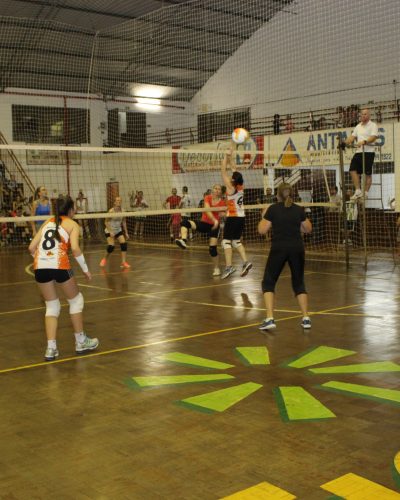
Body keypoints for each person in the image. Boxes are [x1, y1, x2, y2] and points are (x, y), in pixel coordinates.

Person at [28, 195, 99, 361]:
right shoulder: (73, 224)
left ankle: (51, 349)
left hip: (40, 267)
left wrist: (44, 261)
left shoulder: (47, 222)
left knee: (52, 306)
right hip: (59, 265)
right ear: (71, 210)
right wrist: (86, 270)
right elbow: (75, 249)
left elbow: (31, 247)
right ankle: (81, 341)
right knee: (76, 301)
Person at [258, 183, 312, 331]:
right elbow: (308, 228)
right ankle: (306, 318)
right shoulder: (298, 209)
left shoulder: (273, 209)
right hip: (297, 248)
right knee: (298, 283)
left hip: (279, 249)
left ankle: (269, 318)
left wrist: (264, 215)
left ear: (277, 194)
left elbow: (262, 230)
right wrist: (298, 224)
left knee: (268, 282)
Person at [175, 184, 226, 276]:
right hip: (204, 224)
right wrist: (214, 219)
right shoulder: (207, 197)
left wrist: (223, 214)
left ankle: (216, 268)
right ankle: (183, 240)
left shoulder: (222, 202)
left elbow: (223, 214)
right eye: (215, 188)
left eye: (219, 189)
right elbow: (207, 209)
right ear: (212, 189)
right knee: (185, 223)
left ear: (221, 192)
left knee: (212, 249)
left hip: (214, 227)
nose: (217, 190)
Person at [220, 148, 252, 279]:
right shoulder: (240, 186)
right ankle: (245, 262)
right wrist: (230, 156)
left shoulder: (230, 187)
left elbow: (223, 171)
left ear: (233, 180)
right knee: (236, 241)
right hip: (241, 217)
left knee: (226, 242)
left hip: (233, 217)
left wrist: (225, 156)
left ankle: (229, 267)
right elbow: (234, 169)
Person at [344, 108, 378, 201]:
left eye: (365, 114)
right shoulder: (358, 126)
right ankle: (358, 191)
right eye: (362, 114)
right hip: (359, 152)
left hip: (368, 152)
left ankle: (365, 193)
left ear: (369, 115)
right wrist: (344, 143)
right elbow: (352, 137)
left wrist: (365, 141)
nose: (363, 116)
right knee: (352, 169)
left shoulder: (373, 125)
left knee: (367, 174)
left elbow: (374, 137)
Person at [99, 196, 130, 269]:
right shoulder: (111, 211)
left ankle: (123, 262)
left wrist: (126, 232)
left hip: (118, 230)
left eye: (120, 200)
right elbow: (106, 222)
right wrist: (110, 231)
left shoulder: (123, 211)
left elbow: (124, 222)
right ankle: (104, 259)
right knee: (111, 247)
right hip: (109, 230)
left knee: (124, 244)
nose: (119, 201)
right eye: (117, 200)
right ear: (115, 202)